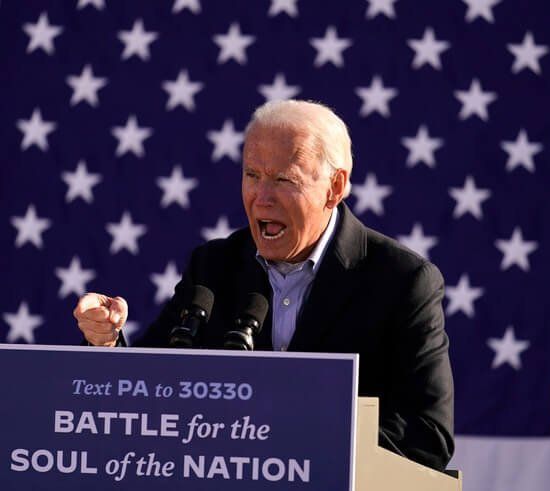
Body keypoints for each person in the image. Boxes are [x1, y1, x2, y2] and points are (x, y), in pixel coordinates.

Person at [73, 100, 454, 471]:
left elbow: (428, 436)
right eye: (252, 175)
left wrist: (290, 441)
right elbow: (148, 396)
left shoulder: (401, 280)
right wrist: (106, 342)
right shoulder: (213, 267)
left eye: (284, 179)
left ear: (334, 187)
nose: (261, 197)